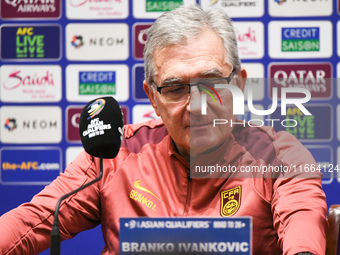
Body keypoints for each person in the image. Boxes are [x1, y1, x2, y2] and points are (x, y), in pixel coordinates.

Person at [0, 4, 327, 255]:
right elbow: (29, 223)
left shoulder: (279, 155)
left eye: (211, 83)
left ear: (239, 84)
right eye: (174, 89)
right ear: (153, 98)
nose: (197, 104)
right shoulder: (116, 153)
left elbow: (303, 231)